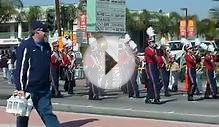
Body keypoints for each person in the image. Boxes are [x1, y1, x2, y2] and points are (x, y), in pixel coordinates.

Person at [14, 21, 61, 127]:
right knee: (23, 115)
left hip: (43, 88)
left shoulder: (47, 47)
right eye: (44, 31)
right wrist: (21, 88)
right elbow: (21, 68)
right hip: (28, 88)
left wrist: (50, 82)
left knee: (47, 112)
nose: (46, 34)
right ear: (36, 32)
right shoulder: (26, 46)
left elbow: (48, 66)